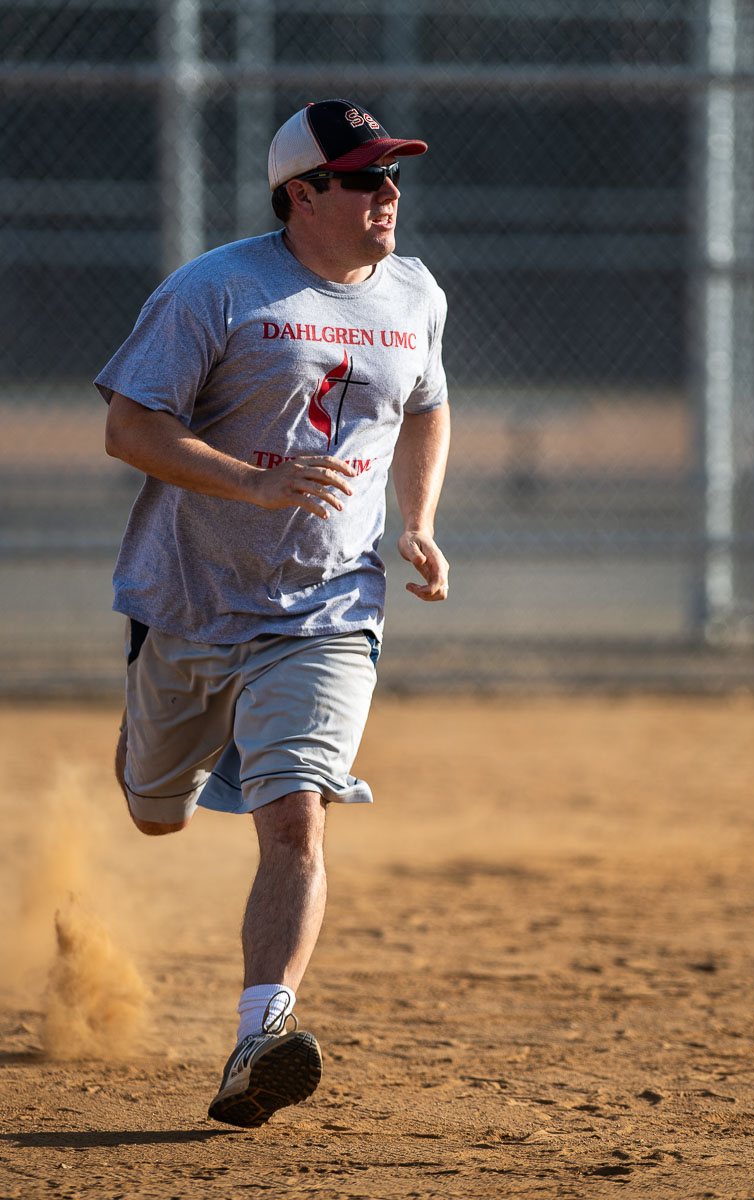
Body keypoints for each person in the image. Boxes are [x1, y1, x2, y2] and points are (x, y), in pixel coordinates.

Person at [95, 98, 450, 1128]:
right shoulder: (216, 288)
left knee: (297, 812)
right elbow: (129, 428)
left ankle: (260, 1034)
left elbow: (425, 406)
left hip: (329, 604)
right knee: (154, 813)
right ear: (301, 194)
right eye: (364, 177)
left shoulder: (415, 292)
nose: (387, 193)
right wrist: (250, 483)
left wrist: (418, 522)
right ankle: (157, 750)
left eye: (392, 175)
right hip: (190, 598)